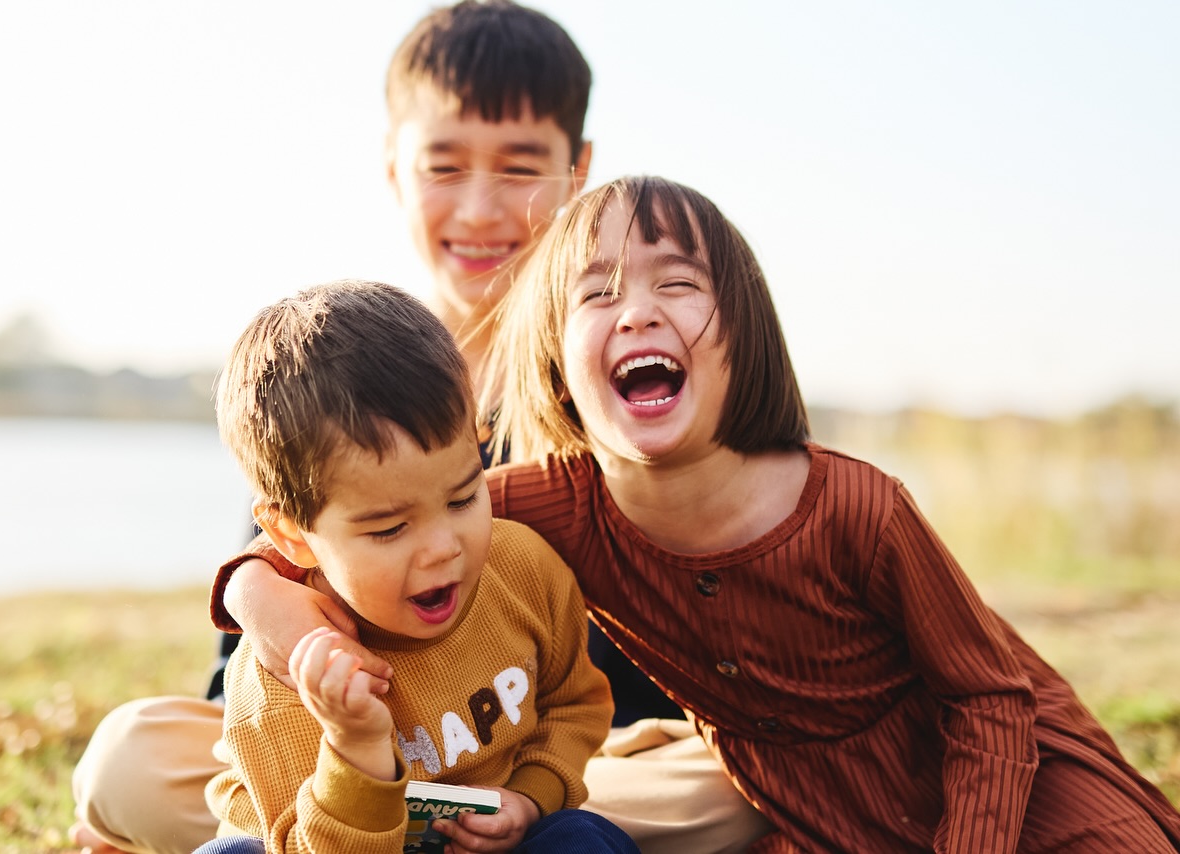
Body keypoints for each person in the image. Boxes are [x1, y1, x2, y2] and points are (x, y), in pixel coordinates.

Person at [223, 176, 1180, 852]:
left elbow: (989, 702)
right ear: (556, 363)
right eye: (597, 295)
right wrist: (270, 607)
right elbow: (332, 536)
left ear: (742, 333)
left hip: (1020, 800)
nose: (637, 311)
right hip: (814, 818)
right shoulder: (528, 507)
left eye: (676, 283)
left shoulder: (856, 509)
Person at [70, 4, 766, 853]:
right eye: (443, 166)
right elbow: (241, 689)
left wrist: (542, 785)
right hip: (357, 763)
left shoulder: (609, 375)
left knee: (724, 787)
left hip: (546, 755)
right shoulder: (340, 368)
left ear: (579, 170)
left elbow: (633, 665)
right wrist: (267, 600)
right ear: (394, 168)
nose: (479, 209)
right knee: (129, 755)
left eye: (520, 168)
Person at [191, 279, 636, 854]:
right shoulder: (277, 683)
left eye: (461, 499)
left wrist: (529, 798)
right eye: (389, 529)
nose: (442, 548)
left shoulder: (524, 569)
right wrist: (356, 748)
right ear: (289, 536)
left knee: (585, 837)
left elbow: (573, 703)